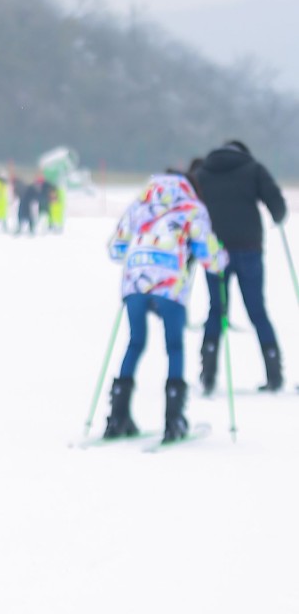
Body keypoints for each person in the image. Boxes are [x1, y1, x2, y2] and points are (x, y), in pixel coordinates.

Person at [103, 171, 226, 442]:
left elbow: (116, 249)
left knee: (135, 342)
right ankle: (173, 420)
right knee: (174, 347)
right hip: (170, 283)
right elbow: (208, 254)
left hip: (135, 282)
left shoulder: (139, 206)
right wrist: (220, 260)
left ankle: (118, 417)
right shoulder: (192, 209)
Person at [190, 140, 288, 393]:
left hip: (215, 249)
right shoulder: (253, 169)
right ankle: (274, 374)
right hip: (249, 247)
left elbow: (190, 207)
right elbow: (276, 201)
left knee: (216, 310)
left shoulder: (203, 173)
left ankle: (208, 374)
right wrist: (278, 216)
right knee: (257, 310)